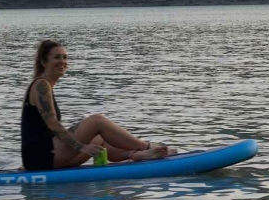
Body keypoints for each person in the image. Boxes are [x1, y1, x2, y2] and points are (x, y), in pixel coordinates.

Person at [20, 39, 171, 171]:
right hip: (41, 157)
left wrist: (82, 144)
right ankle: (147, 147)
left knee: (98, 139)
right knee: (96, 121)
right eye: (57, 57)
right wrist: (81, 146)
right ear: (44, 62)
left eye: (65, 57)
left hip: (42, 157)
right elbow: (52, 123)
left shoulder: (44, 85)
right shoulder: (41, 85)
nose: (62, 61)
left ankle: (136, 155)